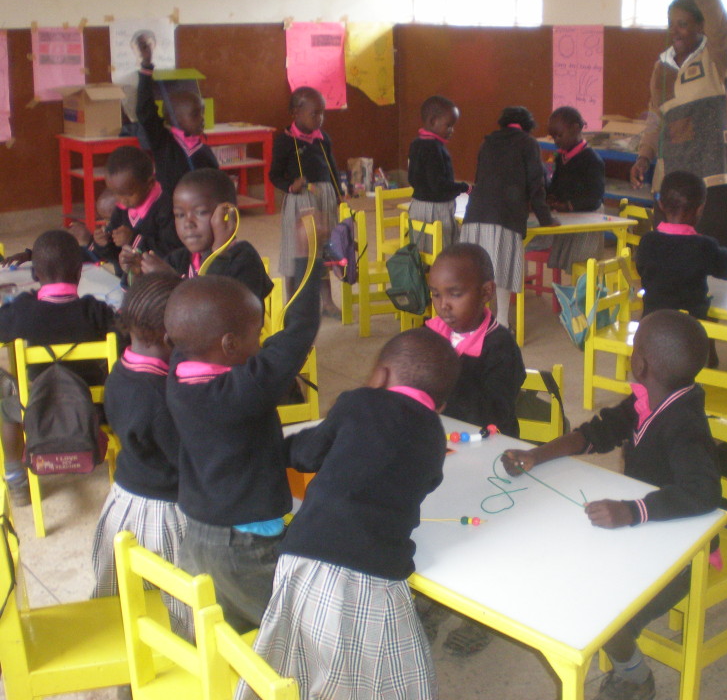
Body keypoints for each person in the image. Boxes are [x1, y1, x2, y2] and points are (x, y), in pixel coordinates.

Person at [501, 310, 721, 700]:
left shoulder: (685, 423)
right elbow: (596, 434)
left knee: (607, 619)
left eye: (635, 347)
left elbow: (703, 493)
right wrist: (539, 455)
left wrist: (632, 511)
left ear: (642, 363)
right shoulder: (650, 398)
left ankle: (635, 676)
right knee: (577, 576)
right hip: (644, 533)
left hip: (684, 553)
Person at [240, 329, 461, 700]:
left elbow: (309, 454)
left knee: (296, 648)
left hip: (308, 553)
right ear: (438, 406)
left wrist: (278, 450)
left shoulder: (358, 402)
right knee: (374, 669)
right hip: (379, 571)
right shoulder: (436, 436)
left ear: (381, 376)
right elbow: (429, 482)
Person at [164, 219, 321, 631]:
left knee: (209, 630)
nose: (263, 341)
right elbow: (300, 331)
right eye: (256, 333)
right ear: (230, 345)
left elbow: (202, 312)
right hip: (248, 544)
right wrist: (309, 255)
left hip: (198, 532)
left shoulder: (178, 369)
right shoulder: (241, 391)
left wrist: (217, 248)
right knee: (285, 630)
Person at [421, 242, 526, 657]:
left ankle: (480, 613)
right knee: (436, 520)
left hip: (488, 453)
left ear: (486, 292)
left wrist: (450, 368)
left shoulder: (501, 348)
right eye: (436, 294)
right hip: (441, 448)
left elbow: (494, 412)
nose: (443, 305)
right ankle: (434, 598)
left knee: (483, 533)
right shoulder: (430, 335)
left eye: (455, 293)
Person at [90, 273, 191, 636]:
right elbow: (186, 461)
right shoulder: (159, 398)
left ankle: (134, 675)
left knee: (130, 607)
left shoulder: (122, 370)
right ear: (171, 338)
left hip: (125, 502)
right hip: (162, 513)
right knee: (177, 609)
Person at [629, 0, 727, 251]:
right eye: (671, 23)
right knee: (669, 257)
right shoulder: (661, 68)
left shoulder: (715, 57)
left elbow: (722, 26)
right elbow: (656, 118)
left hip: (714, 178)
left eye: (683, 23)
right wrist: (644, 155)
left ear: (700, 27)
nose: (675, 30)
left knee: (711, 259)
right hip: (674, 183)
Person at [0, 230, 118, 505]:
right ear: (79, 273)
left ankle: (16, 478)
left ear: (35, 275)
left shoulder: (23, 311)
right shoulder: (95, 311)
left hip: (37, 410)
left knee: (5, 407)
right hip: (93, 408)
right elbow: (122, 337)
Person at [461, 106, 558, 328]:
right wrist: (546, 219)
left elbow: (480, 178)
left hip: (475, 213)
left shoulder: (487, 142)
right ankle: (502, 321)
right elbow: (536, 185)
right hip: (505, 216)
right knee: (502, 270)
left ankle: (475, 321)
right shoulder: (528, 143)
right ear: (527, 127)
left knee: (478, 270)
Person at [132, 168, 273, 302]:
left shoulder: (244, 259)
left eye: (200, 212)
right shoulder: (178, 259)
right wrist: (138, 277)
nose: (188, 223)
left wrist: (171, 280)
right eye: (179, 215)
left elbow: (218, 314)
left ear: (227, 215)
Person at [269, 86, 344, 316]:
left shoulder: (323, 139)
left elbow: (332, 167)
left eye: (322, 113)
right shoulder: (284, 141)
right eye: (314, 113)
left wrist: (339, 193)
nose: (319, 118)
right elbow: (274, 175)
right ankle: (292, 303)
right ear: (295, 113)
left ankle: (327, 302)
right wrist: (291, 186)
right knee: (296, 251)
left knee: (322, 250)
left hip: (325, 199)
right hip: (300, 201)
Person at [635, 170, 727, 319]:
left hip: (652, 327)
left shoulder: (648, 241)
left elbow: (641, 269)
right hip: (690, 330)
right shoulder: (704, 247)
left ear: (661, 204)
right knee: (710, 320)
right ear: (700, 209)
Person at [136, 36, 218, 193]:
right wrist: (146, 67)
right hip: (170, 213)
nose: (201, 119)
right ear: (174, 118)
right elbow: (145, 111)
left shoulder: (203, 150)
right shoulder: (164, 143)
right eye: (195, 114)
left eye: (202, 113)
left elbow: (216, 182)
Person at [91, 145, 182, 278]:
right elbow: (115, 255)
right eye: (116, 194)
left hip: (158, 283)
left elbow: (172, 251)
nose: (122, 200)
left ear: (150, 184)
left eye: (128, 194)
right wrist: (103, 244)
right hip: (128, 281)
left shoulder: (166, 208)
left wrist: (134, 240)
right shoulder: (122, 210)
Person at [543, 105, 606, 273]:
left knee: (581, 266)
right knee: (567, 264)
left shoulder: (591, 159)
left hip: (588, 219)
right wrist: (551, 196)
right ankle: (569, 295)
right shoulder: (561, 157)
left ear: (576, 129)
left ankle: (581, 296)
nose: (556, 140)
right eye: (553, 136)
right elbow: (557, 183)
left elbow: (595, 197)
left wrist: (569, 205)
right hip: (570, 218)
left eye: (559, 135)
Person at [408, 95, 470, 249]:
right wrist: (464, 188)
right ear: (433, 121)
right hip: (436, 210)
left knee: (421, 252)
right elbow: (439, 185)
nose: (452, 130)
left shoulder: (416, 143)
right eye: (448, 125)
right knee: (443, 252)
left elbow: (412, 178)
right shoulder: (434, 148)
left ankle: (425, 273)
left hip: (417, 206)